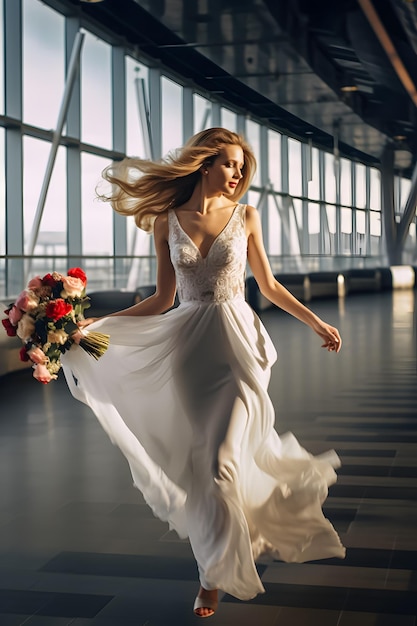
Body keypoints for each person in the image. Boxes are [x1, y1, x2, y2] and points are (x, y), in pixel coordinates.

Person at [62, 127, 345, 619]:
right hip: (189, 352)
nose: (238, 174)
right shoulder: (166, 222)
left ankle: (215, 574)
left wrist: (317, 321)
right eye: (230, 164)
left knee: (220, 464)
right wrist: (98, 324)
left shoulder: (247, 216)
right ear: (205, 164)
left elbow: (270, 286)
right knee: (207, 470)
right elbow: (161, 300)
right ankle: (213, 567)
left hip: (237, 347)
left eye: (241, 167)